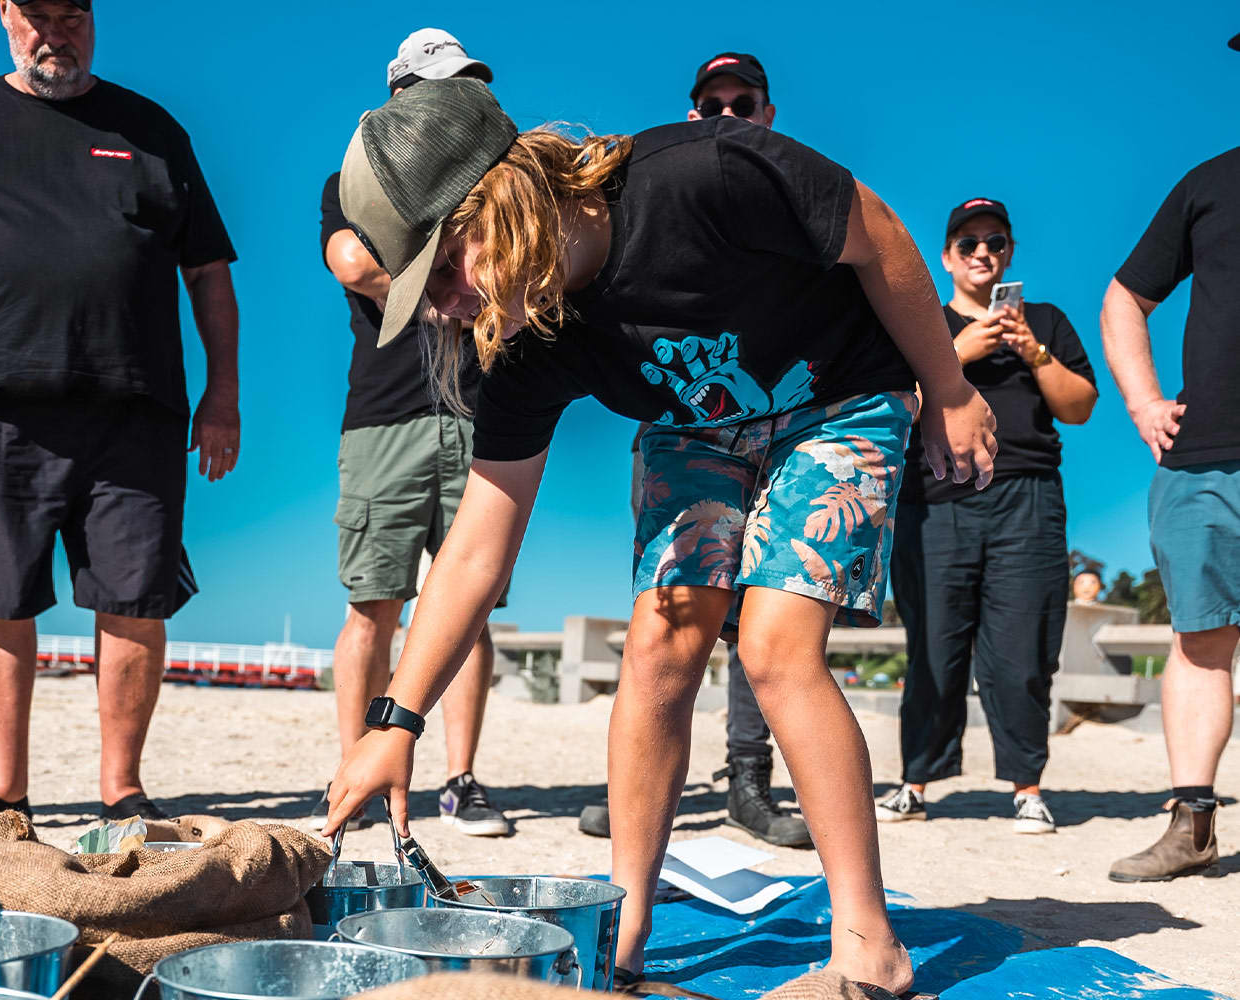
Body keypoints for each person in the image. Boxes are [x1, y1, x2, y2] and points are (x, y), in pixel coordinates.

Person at [324, 79, 997, 994]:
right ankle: (625, 923)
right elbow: (477, 548)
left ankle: (868, 935)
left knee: (772, 646)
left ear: (502, 202)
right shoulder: (524, 346)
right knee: (658, 643)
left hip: (842, 396)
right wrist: (394, 722)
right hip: (694, 425)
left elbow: (876, 234)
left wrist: (946, 389)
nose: (448, 307)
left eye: (445, 272)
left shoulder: (707, 172)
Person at [0, 0, 238, 825]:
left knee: (135, 597)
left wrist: (223, 394)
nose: (53, 32)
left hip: (135, 403)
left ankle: (122, 788)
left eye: (71, 14)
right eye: (37, 15)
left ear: (93, 18)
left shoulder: (152, 129)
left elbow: (208, 269)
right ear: (6, 15)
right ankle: (6, 787)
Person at [582, 51, 809, 850]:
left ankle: (749, 782)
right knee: (667, 610)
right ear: (691, 114)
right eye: (713, 102)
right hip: (689, 434)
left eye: (743, 102)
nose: (727, 114)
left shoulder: (793, 188)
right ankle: (643, 790)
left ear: (768, 114)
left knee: (768, 620)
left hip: (787, 426)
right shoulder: (670, 188)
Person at [310, 28, 510, 838]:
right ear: (398, 96)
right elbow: (352, 262)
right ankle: (358, 766)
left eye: (464, 86)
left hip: (477, 415)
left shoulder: (494, 190)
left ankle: (460, 779)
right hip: (385, 419)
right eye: (435, 88)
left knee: (469, 611)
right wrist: (451, 281)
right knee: (373, 608)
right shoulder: (350, 183)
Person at [875, 198, 1097, 835]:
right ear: (946, 257)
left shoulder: (1046, 320)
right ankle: (915, 781)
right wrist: (958, 352)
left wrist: (1035, 352)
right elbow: (894, 405)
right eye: (968, 243)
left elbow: (1080, 407)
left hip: (1027, 496)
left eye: (994, 242)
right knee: (934, 649)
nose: (982, 253)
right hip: (934, 497)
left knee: (1023, 648)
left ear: (1010, 253)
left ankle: (1027, 788)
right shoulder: (923, 326)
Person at [1100, 30, 1240, 881]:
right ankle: (1190, 826)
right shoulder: (1210, 184)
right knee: (1199, 641)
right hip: (1203, 460)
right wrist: (1144, 402)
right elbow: (1126, 294)